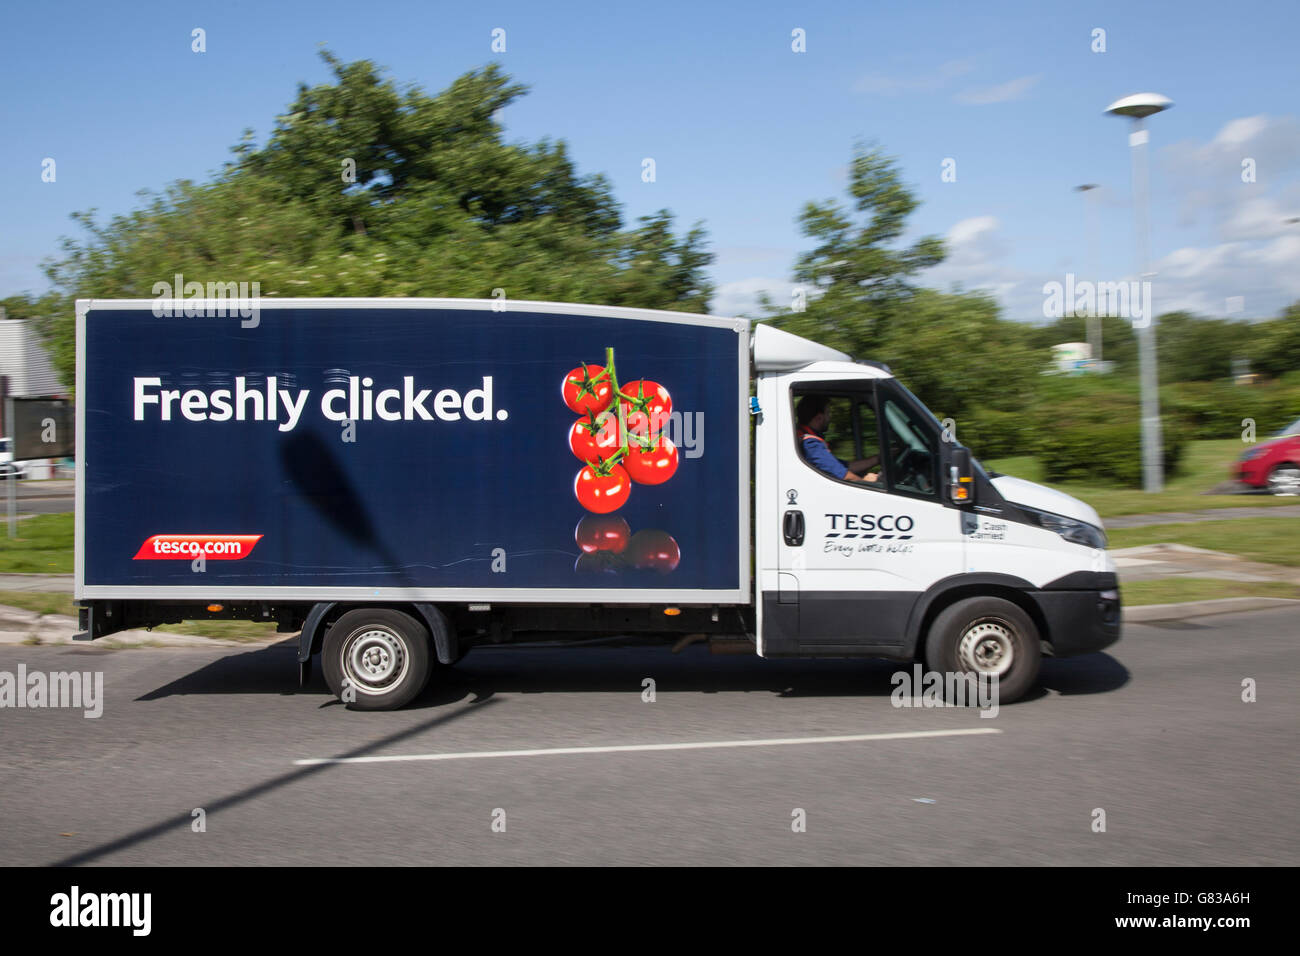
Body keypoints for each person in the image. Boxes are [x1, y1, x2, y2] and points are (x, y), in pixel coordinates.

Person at [795, 395, 880, 483]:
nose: (830, 418)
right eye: (828, 413)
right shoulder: (811, 444)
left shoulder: (806, 438)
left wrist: (878, 459)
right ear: (819, 418)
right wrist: (865, 482)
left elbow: (844, 467)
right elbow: (845, 476)